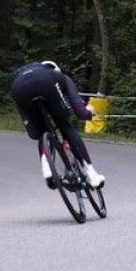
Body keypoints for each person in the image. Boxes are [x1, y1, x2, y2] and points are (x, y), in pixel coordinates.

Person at [10, 60, 105, 188]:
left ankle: (47, 170)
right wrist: (89, 112)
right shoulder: (58, 76)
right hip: (46, 82)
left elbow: (32, 133)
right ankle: (91, 175)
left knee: (41, 133)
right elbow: (80, 112)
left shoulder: (20, 77)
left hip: (18, 87)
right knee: (65, 126)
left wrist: (42, 131)